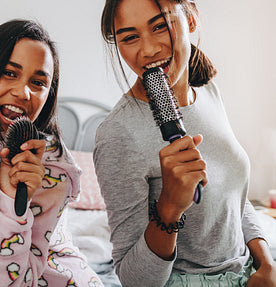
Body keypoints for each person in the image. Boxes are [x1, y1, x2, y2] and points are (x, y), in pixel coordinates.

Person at [94, 0, 276, 286]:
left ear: (190, 19)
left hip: (249, 270)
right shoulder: (117, 133)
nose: (149, 50)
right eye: (130, 37)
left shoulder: (208, 93)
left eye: (160, 26)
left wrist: (266, 264)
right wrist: (169, 208)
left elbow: (235, 199)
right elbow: (134, 280)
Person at [0, 19, 103, 286]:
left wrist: (11, 197)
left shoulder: (51, 168)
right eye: (10, 73)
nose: (23, 92)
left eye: (38, 82)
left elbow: (6, 282)